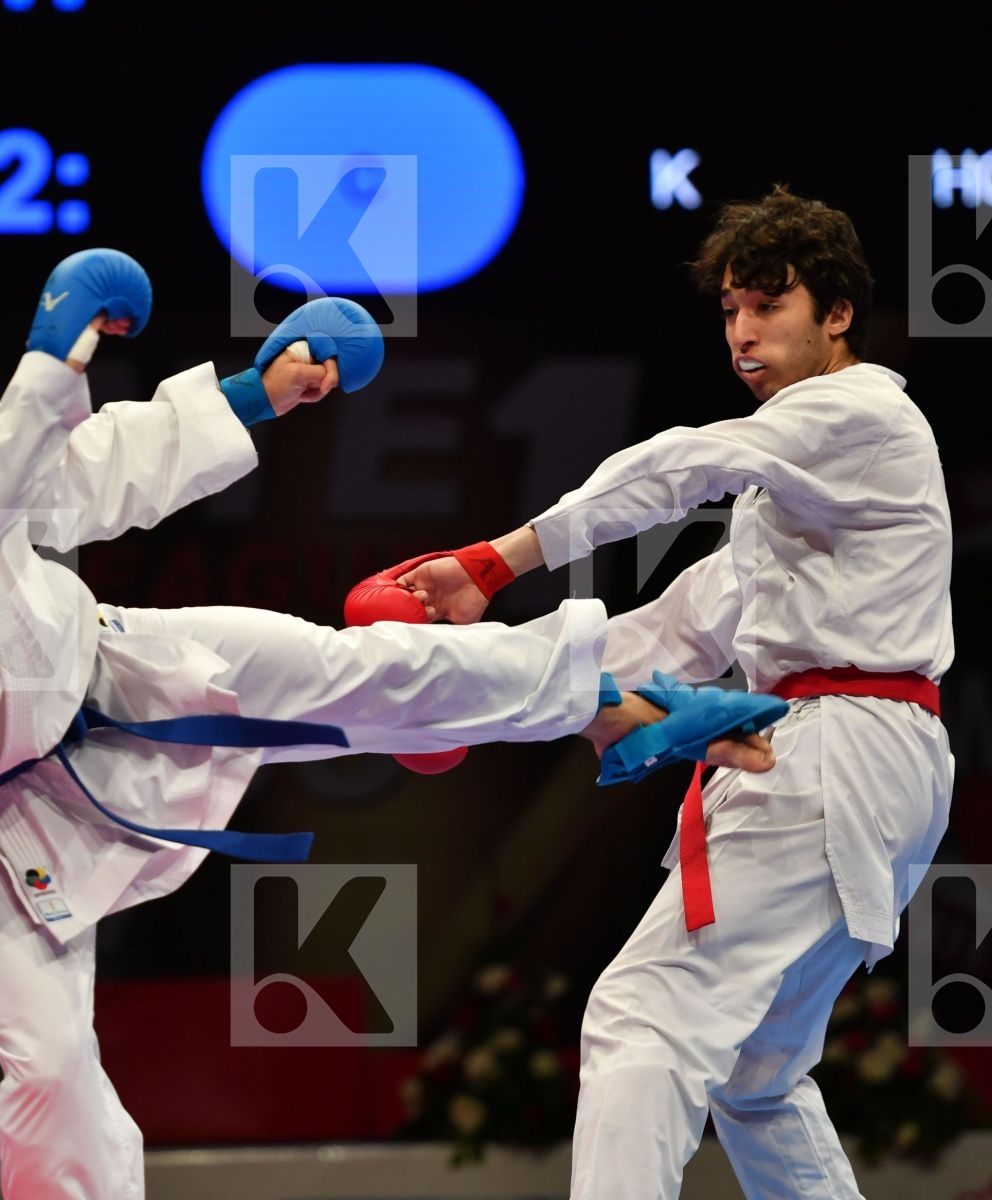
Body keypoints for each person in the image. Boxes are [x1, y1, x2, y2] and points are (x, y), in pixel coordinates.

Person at [0, 247, 778, 1200]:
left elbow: (72, 477)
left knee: (352, 671)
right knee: (48, 1068)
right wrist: (47, 368)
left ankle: (628, 698)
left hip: (109, 665)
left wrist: (257, 394)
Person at [392, 186, 955, 1198]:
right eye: (731, 310)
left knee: (644, 1014)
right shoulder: (787, 497)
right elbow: (661, 636)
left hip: (840, 746)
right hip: (870, 755)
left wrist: (494, 558)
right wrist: (448, 682)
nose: (742, 334)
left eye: (769, 306)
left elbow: (681, 461)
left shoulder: (861, 413)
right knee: (756, 1073)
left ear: (837, 316)